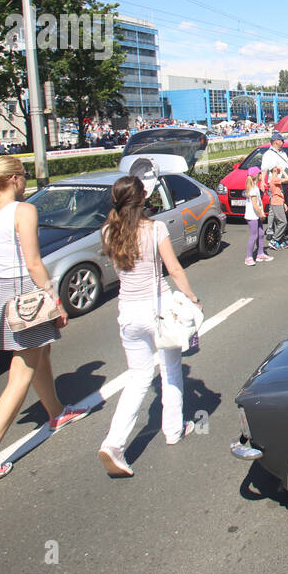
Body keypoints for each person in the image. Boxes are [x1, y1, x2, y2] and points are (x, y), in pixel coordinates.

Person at [0, 156, 84, 481]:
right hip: (23, 294)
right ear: (16, 179)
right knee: (21, 373)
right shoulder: (23, 211)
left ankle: (57, 412)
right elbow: (33, 262)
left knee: (40, 354)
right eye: (25, 175)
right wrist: (55, 300)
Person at [96, 176, 202, 476]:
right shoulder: (155, 228)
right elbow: (174, 268)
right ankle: (173, 429)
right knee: (170, 371)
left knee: (138, 378)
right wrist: (192, 298)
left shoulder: (108, 231)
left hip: (128, 312)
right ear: (142, 199)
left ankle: (114, 443)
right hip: (157, 309)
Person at [260, 132, 288, 250]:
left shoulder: (283, 153)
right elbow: (264, 169)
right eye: (282, 140)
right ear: (276, 142)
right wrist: (262, 182)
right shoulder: (268, 155)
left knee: (284, 210)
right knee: (276, 213)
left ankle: (280, 238)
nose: (283, 142)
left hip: (284, 185)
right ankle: (275, 236)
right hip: (276, 186)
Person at [243, 166, 272, 265]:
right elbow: (255, 205)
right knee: (254, 235)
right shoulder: (253, 190)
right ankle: (249, 257)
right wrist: (261, 214)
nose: (261, 175)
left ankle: (260, 254)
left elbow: (259, 203)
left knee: (260, 234)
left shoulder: (256, 188)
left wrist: (261, 212)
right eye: (260, 173)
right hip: (252, 217)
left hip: (256, 215)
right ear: (256, 176)